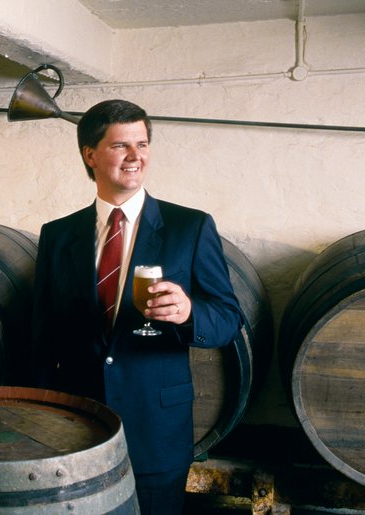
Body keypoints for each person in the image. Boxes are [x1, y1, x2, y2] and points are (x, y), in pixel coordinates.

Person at [30, 99, 243, 515]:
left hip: (157, 430)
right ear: (89, 154)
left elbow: (228, 319)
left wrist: (188, 313)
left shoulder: (190, 227)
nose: (135, 157)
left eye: (142, 144)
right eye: (120, 146)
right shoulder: (57, 235)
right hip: (77, 428)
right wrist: (38, 422)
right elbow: (42, 337)